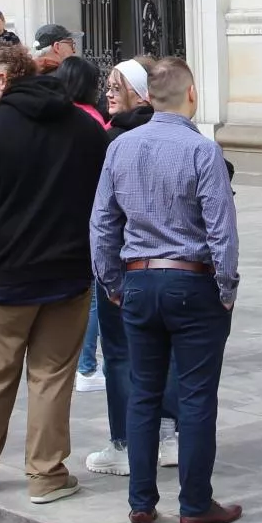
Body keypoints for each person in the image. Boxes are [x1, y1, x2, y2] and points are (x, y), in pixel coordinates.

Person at [0, 45, 107, 504]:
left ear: (5, 78)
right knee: (53, 377)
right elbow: (102, 201)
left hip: (3, 275)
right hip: (67, 274)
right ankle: (46, 474)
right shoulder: (86, 129)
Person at [91, 56, 243, 523]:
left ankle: (141, 502)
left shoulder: (121, 148)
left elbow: (102, 225)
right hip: (191, 279)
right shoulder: (202, 151)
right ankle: (195, 503)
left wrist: (112, 281)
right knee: (196, 396)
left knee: (143, 393)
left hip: (139, 279)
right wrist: (227, 286)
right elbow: (221, 229)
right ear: (191, 94)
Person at [84, 57, 179, 476]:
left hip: (127, 262)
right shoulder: (178, 133)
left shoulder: (110, 139)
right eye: (107, 85)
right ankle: (170, 434)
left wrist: (105, 275)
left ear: (139, 93)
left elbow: (102, 216)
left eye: (116, 86)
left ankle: (124, 443)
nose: (108, 92)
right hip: (176, 263)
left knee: (121, 355)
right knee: (169, 349)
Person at [54, 56, 110, 394]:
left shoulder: (55, 117)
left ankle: (75, 362)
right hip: (88, 216)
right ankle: (87, 366)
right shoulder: (91, 121)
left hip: (62, 216)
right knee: (92, 297)